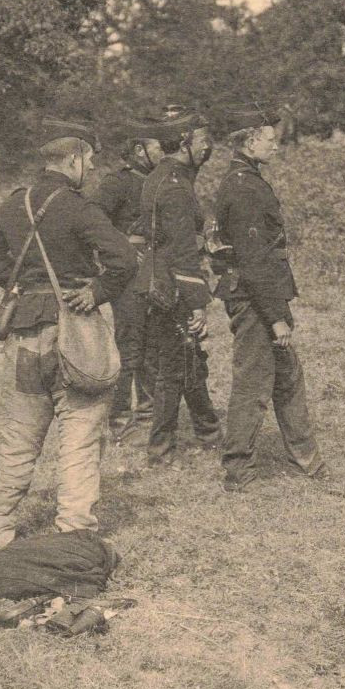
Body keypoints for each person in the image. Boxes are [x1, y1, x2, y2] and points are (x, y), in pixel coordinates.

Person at [0, 118, 136, 549]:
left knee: (18, 439)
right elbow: (124, 259)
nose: (92, 170)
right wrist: (96, 291)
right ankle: (74, 535)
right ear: (74, 159)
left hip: (24, 334)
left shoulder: (15, 203)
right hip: (73, 336)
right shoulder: (78, 207)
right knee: (79, 435)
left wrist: (18, 283)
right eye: (90, 161)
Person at [209, 107, 328, 492]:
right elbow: (254, 260)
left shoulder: (246, 180)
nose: (275, 144)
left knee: (288, 376)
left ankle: (305, 457)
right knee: (254, 381)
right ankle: (239, 468)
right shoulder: (244, 188)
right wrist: (277, 317)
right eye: (269, 138)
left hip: (263, 294)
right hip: (255, 299)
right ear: (249, 141)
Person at [137, 106, 223, 468]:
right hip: (172, 288)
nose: (208, 148)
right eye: (203, 141)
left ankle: (208, 431)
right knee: (174, 366)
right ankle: (160, 451)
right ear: (185, 142)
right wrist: (198, 303)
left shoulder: (160, 176)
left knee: (188, 358)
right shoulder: (175, 188)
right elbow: (184, 251)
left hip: (158, 282)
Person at [89, 125, 158, 439]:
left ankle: (148, 414)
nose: (165, 152)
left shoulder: (163, 181)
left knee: (153, 344)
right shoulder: (118, 182)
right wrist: (125, 251)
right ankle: (118, 419)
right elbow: (95, 223)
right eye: (159, 146)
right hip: (128, 274)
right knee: (129, 346)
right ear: (140, 150)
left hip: (158, 271)